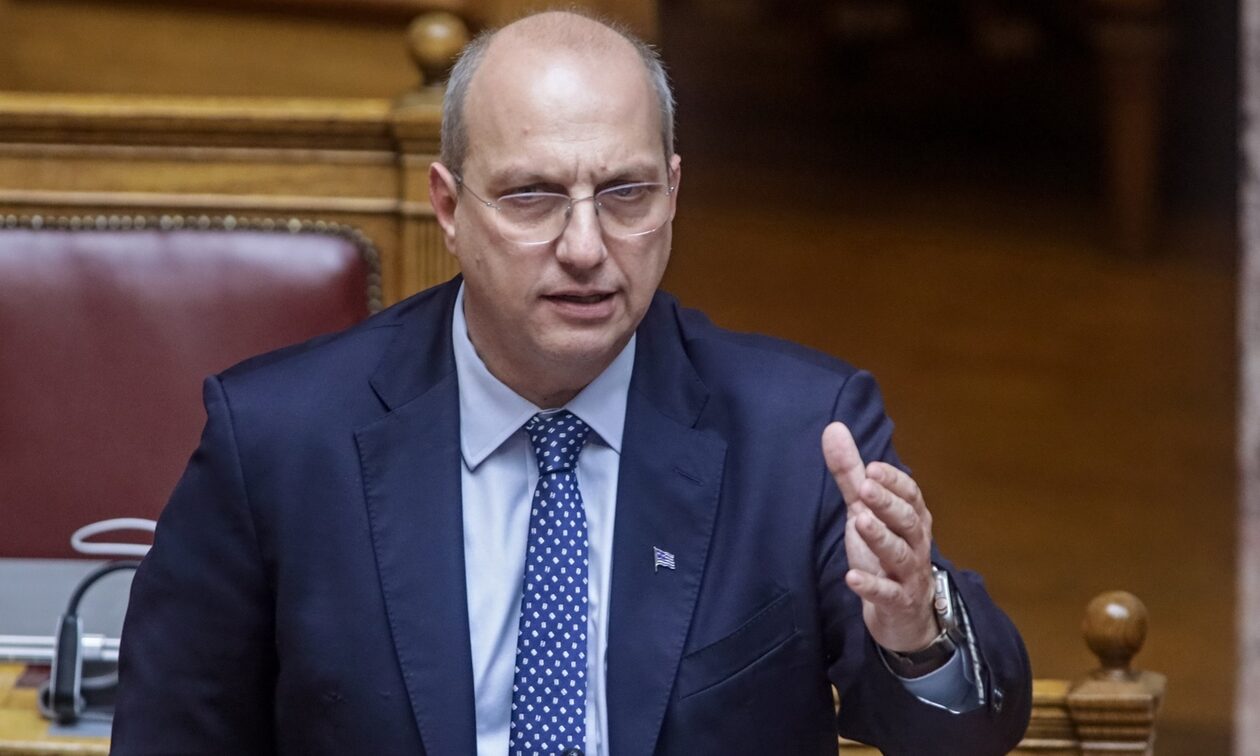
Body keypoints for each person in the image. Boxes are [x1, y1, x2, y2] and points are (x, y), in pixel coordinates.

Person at [113, 10, 1031, 756]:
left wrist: (916, 628)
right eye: (533, 197)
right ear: (449, 207)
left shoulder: (799, 434)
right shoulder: (277, 441)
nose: (587, 248)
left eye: (626, 194)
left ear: (673, 192)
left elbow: (962, 737)